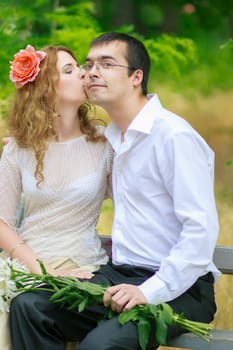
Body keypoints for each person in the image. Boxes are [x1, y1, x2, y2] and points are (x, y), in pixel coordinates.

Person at [10, 32, 220, 350]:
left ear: (136, 77)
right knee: (31, 307)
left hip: (179, 287)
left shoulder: (172, 137)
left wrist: (149, 291)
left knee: (99, 344)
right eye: (89, 64)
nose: (92, 71)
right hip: (118, 275)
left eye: (107, 64)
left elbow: (200, 231)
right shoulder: (112, 140)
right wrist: (25, 146)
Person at [0, 44, 113, 350]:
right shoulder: (19, 148)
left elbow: (138, 204)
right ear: (45, 89)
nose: (83, 73)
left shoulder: (106, 145)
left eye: (80, 66)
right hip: (27, 266)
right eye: (69, 70)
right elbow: (2, 223)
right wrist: (38, 268)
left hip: (80, 265)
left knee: (32, 307)